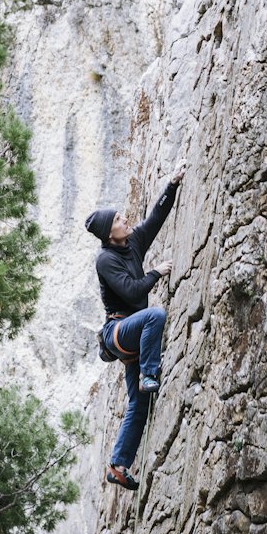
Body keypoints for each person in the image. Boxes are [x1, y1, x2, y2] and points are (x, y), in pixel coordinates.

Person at [85, 168, 184, 492]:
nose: (125, 219)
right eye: (118, 220)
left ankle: (118, 465)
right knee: (155, 314)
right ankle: (149, 373)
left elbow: (156, 218)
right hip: (117, 331)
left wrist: (171, 184)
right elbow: (131, 292)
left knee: (139, 404)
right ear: (108, 233)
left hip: (134, 337)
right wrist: (156, 272)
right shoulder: (106, 260)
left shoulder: (132, 243)